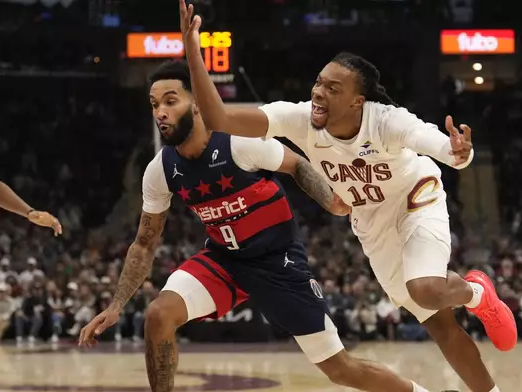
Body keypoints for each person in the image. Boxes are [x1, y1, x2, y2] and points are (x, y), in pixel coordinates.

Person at [179, 2, 516, 391]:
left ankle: (477, 293)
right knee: (439, 323)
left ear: (358, 100)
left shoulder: (387, 121)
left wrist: (461, 151)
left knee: (424, 287)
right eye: (319, 82)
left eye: (332, 88)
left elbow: (444, 148)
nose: (319, 93)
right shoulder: (301, 119)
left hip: (414, 198)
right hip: (372, 221)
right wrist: (192, 50)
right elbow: (221, 120)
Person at [78, 60, 435, 392]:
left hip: (277, 262)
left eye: (170, 101)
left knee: (339, 368)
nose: (161, 112)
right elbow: (144, 243)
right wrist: (116, 305)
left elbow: (295, 164)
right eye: (155, 104)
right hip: (224, 261)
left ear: (198, 103)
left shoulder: (237, 143)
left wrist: (332, 201)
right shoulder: (159, 170)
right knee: (158, 315)